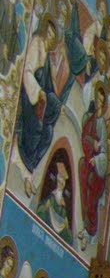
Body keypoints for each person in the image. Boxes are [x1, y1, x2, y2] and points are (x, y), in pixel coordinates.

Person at [17, 15, 65, 175]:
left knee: (48, 133)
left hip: (41, 100)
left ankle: (31, 162)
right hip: (30, 94)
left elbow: (49, 85)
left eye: (52, 35)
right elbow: (27, 71)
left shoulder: (48, 56)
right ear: (44, 31)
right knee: (37, 126)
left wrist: (56, 105)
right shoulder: (36, 44)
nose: (49, 36)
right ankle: (25, 155)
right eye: (48, 32)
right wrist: (38, 92)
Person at [79, 83, 110, 239]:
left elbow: (104, 151)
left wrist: (96, 159)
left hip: (98, 168)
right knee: (83, 177)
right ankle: (84, 224)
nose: (98, 102)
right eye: (97, 99)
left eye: (101, 101)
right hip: (88, 161)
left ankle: (90, 229)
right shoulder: (91, 118)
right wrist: (92, 143)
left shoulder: (101, 124)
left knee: (92, 194)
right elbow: (85, 137)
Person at [0, 0, 21, 76]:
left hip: (7, 47)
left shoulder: (14, 9)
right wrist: (2, 45)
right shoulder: (3, 0)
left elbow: (13, 33)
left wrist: (17, 28)